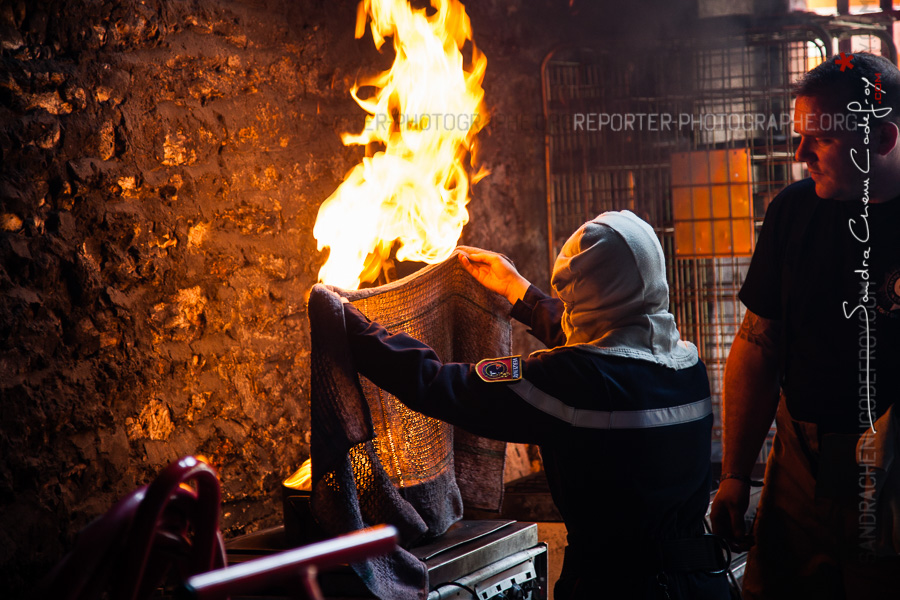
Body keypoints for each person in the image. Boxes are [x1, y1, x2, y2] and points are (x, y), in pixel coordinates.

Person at [334, 210, 730, 600]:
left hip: (621, 587)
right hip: (702, 582)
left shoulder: (577, 380)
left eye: (573, 300)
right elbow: (601, 350)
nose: (570, 310)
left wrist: (353, 327)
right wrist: (521, 293)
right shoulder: (685, 364)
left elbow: (440, 384)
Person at [709, 52, 900, 598]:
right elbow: (758, 344)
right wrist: (734, 475)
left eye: (820, 140)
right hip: (798, 460)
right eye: (798, 136)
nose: (799, 155)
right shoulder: (793, 211)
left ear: (882, 140)